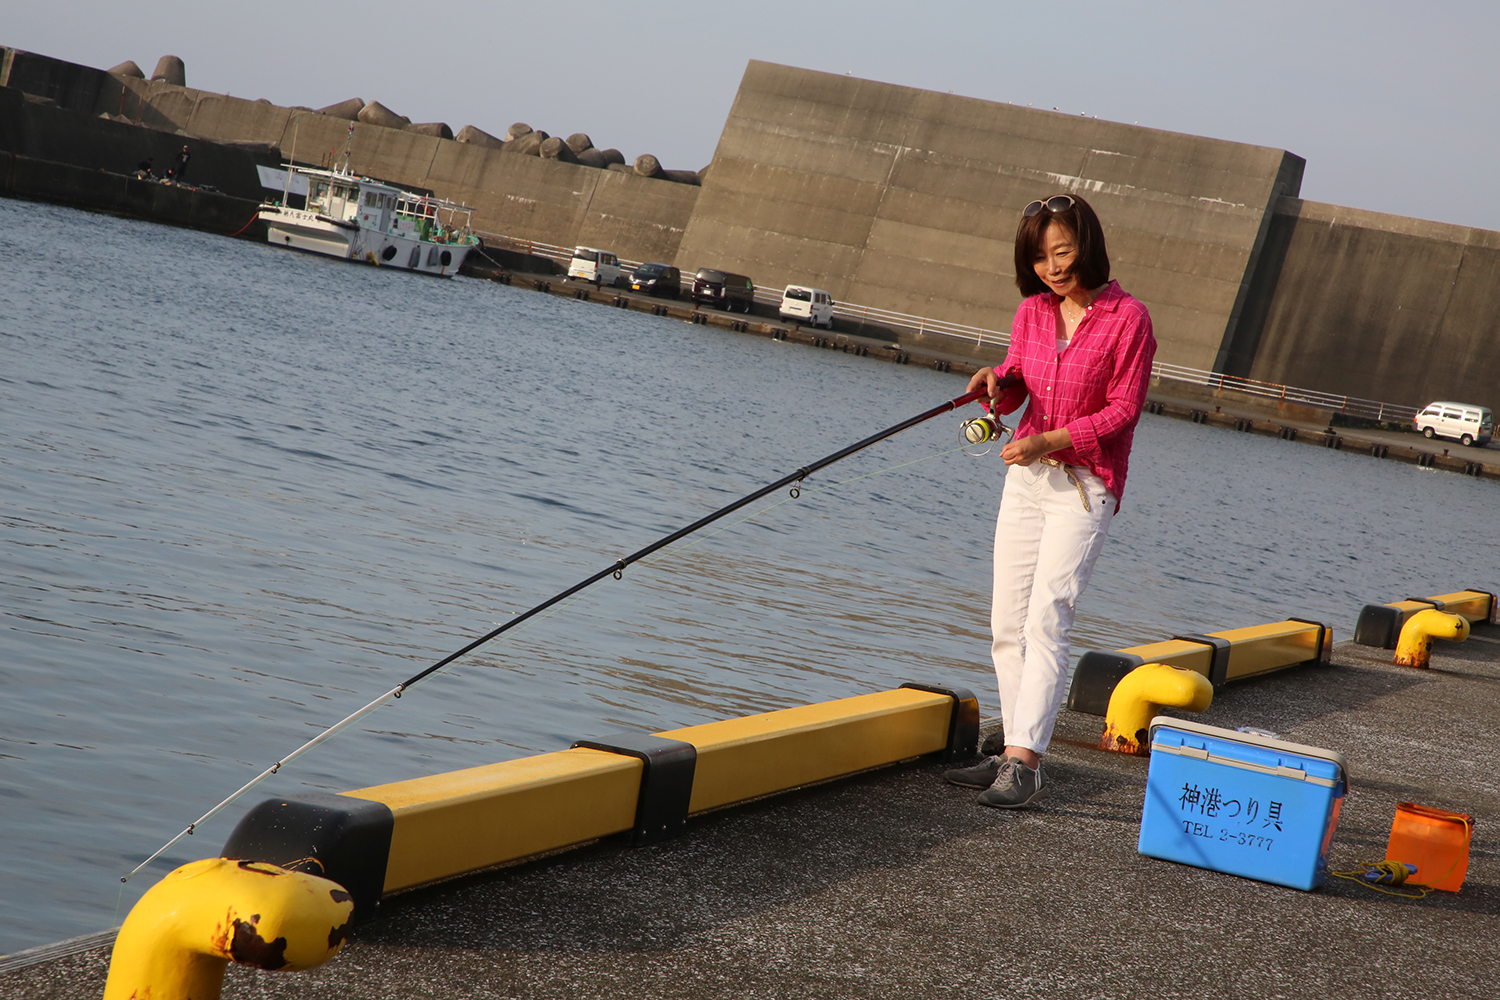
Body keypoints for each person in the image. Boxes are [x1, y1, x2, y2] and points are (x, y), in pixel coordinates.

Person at [945, 193, 1156, 808]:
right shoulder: (1031, 312)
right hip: (1027, 478)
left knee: (1047, 618)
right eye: (1039, 257)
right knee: (1006, 623)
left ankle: (1026, 763)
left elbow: (1123, 411)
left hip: (1085, 485)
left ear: (1086, 244)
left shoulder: (1128, 318)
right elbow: (1016, 388)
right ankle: (1013, 747)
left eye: (1061, 251)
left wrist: (1052, 441)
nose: (1052, 267)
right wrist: (997, 383)